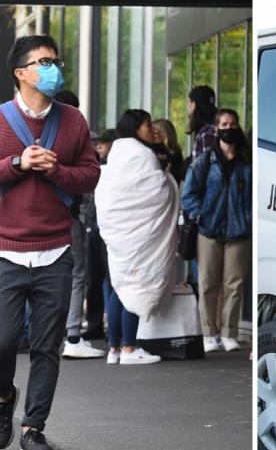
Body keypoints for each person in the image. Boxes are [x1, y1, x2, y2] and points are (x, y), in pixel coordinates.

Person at [0, 34, 100, 450]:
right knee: (1, 342)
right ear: (20, 73)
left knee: (46, 347)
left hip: (56, 249)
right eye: (43, 62)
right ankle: (3, 397)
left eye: (56, 60)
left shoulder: (73, 121)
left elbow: (90, 176)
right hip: (4, 248)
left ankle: (33, 428)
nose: (53, 68)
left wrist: (58, 172)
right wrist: (16, 164)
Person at [95, 109, 180, 365]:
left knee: (120, 285)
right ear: (135, 128)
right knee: (134, 285)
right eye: (145, 124)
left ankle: (114, 349)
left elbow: (114, 189)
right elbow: (154, 190)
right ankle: (130, 347)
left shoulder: (117, 151)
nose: (150, 129)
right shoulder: (141, 154)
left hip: (119, 233)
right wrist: (165, 176)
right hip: (138, 234)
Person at [180, 108, 251, 353]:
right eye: (223, 124)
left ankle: (229, 333)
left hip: (239, 232)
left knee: (235, 284)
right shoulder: (205, 161)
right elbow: (188, 195)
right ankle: (209, 333)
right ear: (217, 128)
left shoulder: (247, 162)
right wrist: (200, 215)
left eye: (232, 124)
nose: (228, 128)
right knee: (208, 283)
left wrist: (249, 219)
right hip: (209, 230)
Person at [51, 90, 104, 360]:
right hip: (67, 215)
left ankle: (39, 333)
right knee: (76, 274)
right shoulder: (72, 134)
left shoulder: (35, 129)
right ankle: (72, 335)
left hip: (34, 217)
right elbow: (87, 176)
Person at [80, 129, 116, 342]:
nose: (98, 147)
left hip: (110, 226)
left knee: (112, 279)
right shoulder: (93, 164)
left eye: (103, 143)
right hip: (93, 224)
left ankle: (113, 325)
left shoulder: (118, 167)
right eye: (96, 144)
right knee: (92, 277)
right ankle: (94, 323)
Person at [187, 85, 217, 160]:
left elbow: (205, 165)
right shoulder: (215, 125)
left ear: (193, 104)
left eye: (188, 102)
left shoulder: (206, 132)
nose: (187, 106)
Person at [151, 118, 185, 184]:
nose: (151, 136)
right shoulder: (150, 149)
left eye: (155, 133)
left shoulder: (175, 154)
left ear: (165, 134)